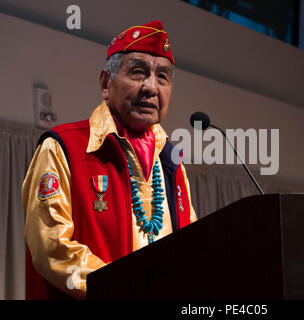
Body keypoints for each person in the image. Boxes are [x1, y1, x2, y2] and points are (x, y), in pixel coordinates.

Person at [22, 20, 197, 300]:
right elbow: (51, 248)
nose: (151, 87)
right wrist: (125, 289)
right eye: (138, 73)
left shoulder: (171, 163)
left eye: (162, 77)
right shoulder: (63, 147)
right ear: (106, 83)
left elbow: (192, 251)